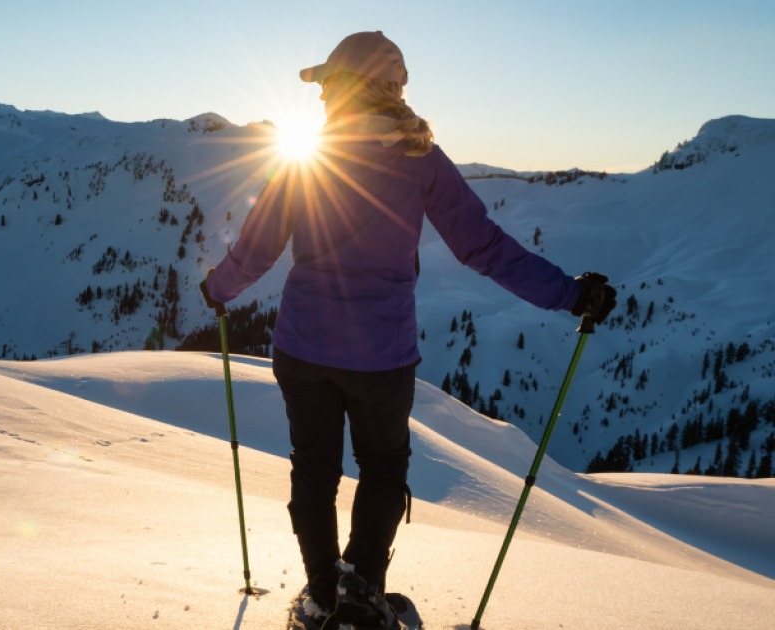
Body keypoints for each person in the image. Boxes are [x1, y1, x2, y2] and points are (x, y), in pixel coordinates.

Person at [199, 31, 617, 628]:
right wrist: (570, 295)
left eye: (328, 84)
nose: (321, 97)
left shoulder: (308, 157)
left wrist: (218, 289)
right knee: (382, 466)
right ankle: (360, 595)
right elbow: (483, 247)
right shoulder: (421, 160)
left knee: (314, 468)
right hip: (381, 355)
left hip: (304, 348)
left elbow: (257, 248)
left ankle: (323, 598)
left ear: (351, 87)